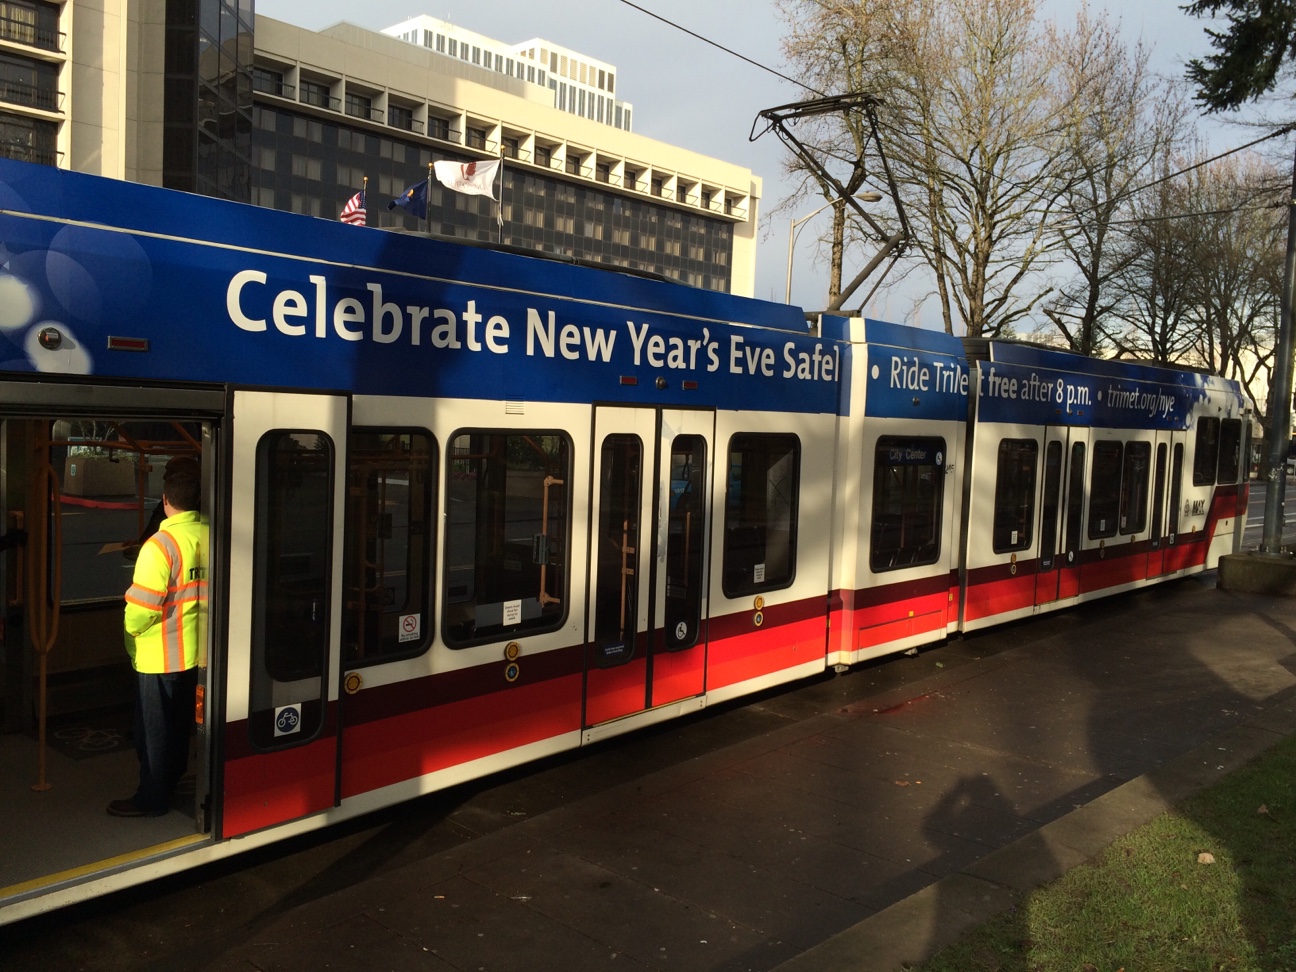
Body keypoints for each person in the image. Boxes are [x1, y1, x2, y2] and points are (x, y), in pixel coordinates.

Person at [108, 463, 207, 818]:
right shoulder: (211, 536)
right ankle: (172, 778)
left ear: (165, 501)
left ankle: (152, 797)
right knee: (181, 726)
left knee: (152, 734)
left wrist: (132, 633)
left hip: (159, 655)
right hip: (198, 654)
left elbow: (141, 609)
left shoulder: (160, 545)